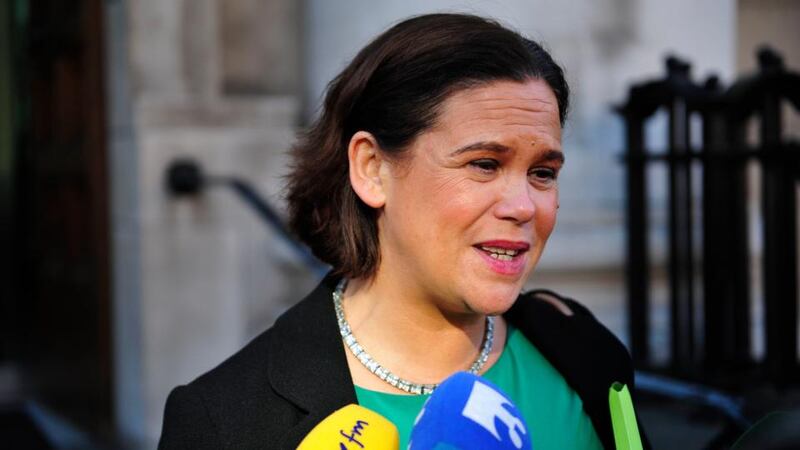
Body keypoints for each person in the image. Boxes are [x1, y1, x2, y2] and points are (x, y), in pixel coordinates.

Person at [158, 13, 648, 449]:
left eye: (543, 172)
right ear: (372, 168)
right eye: (483, 164)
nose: (523, 206)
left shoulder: (581, 346)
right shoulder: (223, 421)